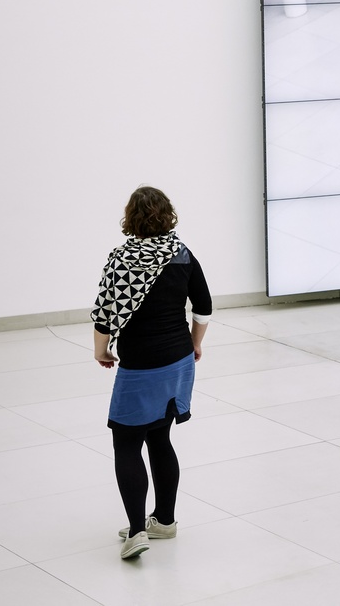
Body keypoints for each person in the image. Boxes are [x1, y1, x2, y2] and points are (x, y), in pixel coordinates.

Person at [91, 186, 211, 560]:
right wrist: (195, 344)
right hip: (177, 360)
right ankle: (165, 520)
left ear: (131, 218)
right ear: (168, 214)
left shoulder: (121, 258)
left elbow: (104, 314)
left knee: (126, 443)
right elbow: (204, 308)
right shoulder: (182, 255)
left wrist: (101, 351)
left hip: (140, 365)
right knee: (160, 439)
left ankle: (138, 532)